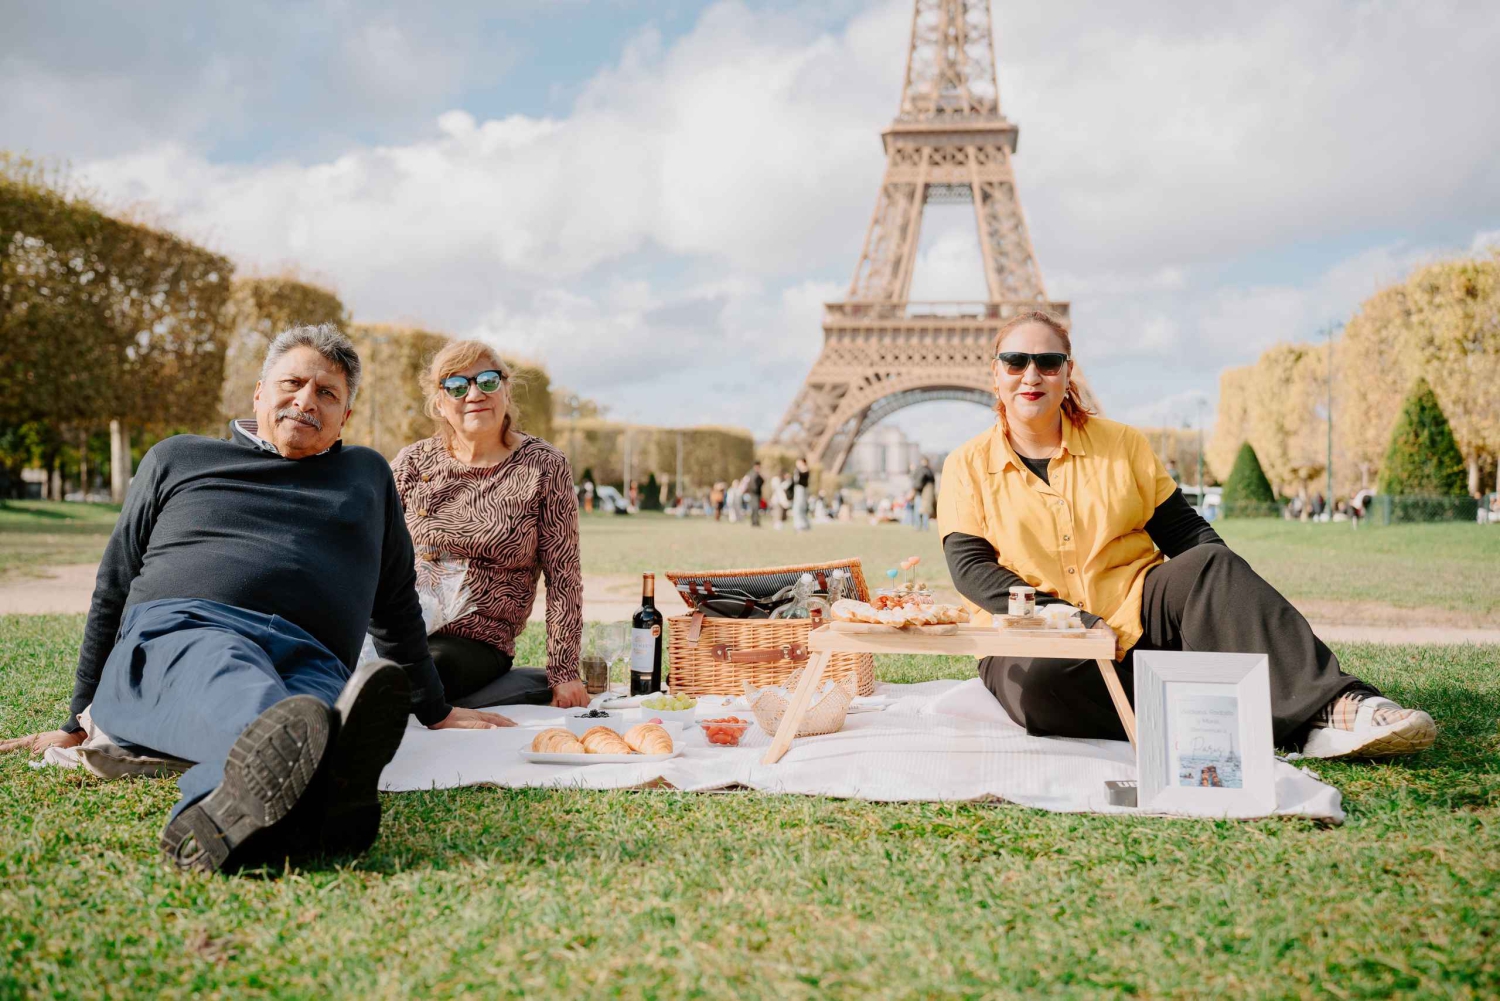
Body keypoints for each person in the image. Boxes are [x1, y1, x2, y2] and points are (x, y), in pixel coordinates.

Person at [0, 325, 509, 874]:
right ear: (259, 392)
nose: (306, 401)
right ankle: (310, 787)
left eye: (327, 393)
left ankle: (277, 802)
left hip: (312, 658)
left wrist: (434, 711)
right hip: (182, 637)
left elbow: (396, 606)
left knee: (312, 711)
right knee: (251, 689)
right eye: (292, 384)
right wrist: (78, 718)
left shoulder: (366, 476)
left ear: (344, 417)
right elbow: (114, 585)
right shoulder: (178, 458)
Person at [939, 310, 1435, 760]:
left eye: (1048, 362)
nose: (1031, 375)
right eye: (1016, 361)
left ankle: (1340, 704)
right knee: (1040, 686)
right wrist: (1067, 621)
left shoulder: (1123, 444)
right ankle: (1241, 714)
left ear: (1068, 372)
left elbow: (1185, 532)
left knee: (1212, 566)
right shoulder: (966, 465)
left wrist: (1221, 600)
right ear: (996, 373)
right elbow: (972, 570)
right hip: (1030, 634)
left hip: (1136, 610)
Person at [392, 340, 587, 712]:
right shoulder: (413, 462)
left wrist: (564, 671)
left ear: (506, 388)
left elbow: (564, 576)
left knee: (421, 672)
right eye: (456, 386)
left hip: (477, 640)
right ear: (439, 402)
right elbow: (370, 551)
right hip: (403, 626)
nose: (474, 394)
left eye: (487, 380)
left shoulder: (544, 465)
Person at [911, 457, 937, 531]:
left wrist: (915, 489)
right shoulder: (929, 471)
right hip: (924, 495)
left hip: (921, 494)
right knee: (924, 510)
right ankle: (923, 526)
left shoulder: (922, 470)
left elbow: (917, 482)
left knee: (920, 511)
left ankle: (919, 525)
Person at [791, 457, 812, 532]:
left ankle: (803, 525)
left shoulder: (805, 470)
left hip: (802, 490)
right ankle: (799, 525)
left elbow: (802, 480)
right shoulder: (797, 470)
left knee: (800, 508)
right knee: (797, 508)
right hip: (797, 490)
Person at [745, 461, 764, 527]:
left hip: (757, 493)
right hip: (753, 493)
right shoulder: (751, 474)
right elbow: (750, 484)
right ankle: (754, 522)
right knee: (755, 507)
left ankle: (756, 521)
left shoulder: (757, 474)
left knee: (756, 507)